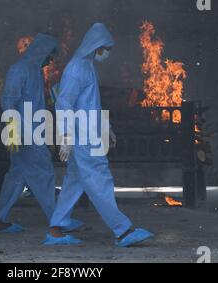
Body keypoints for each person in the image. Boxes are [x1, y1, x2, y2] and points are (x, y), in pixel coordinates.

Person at [44, 23, 154, 247]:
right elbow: (64, 104)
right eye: (105, 48)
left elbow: (91, 105)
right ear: (95, 45)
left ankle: (56, 228)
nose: (106, 53)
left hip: (88, 134)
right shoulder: (77, 69)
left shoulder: (87, 65)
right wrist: (66, 137)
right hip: (83, 137)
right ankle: (123, 231)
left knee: (75, 182)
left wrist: (107, 128)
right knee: (100, 180)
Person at [0, 33, 83, 234]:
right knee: (44, 174)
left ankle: (0, 219)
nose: (50, 61)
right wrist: (13, 129)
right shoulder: (20, 69)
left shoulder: (32, 70)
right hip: (25, 133)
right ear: (40, 51)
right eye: (49, 56)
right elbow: (8, 100)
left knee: (16, 177)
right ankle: (58, 220)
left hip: (31, 130)